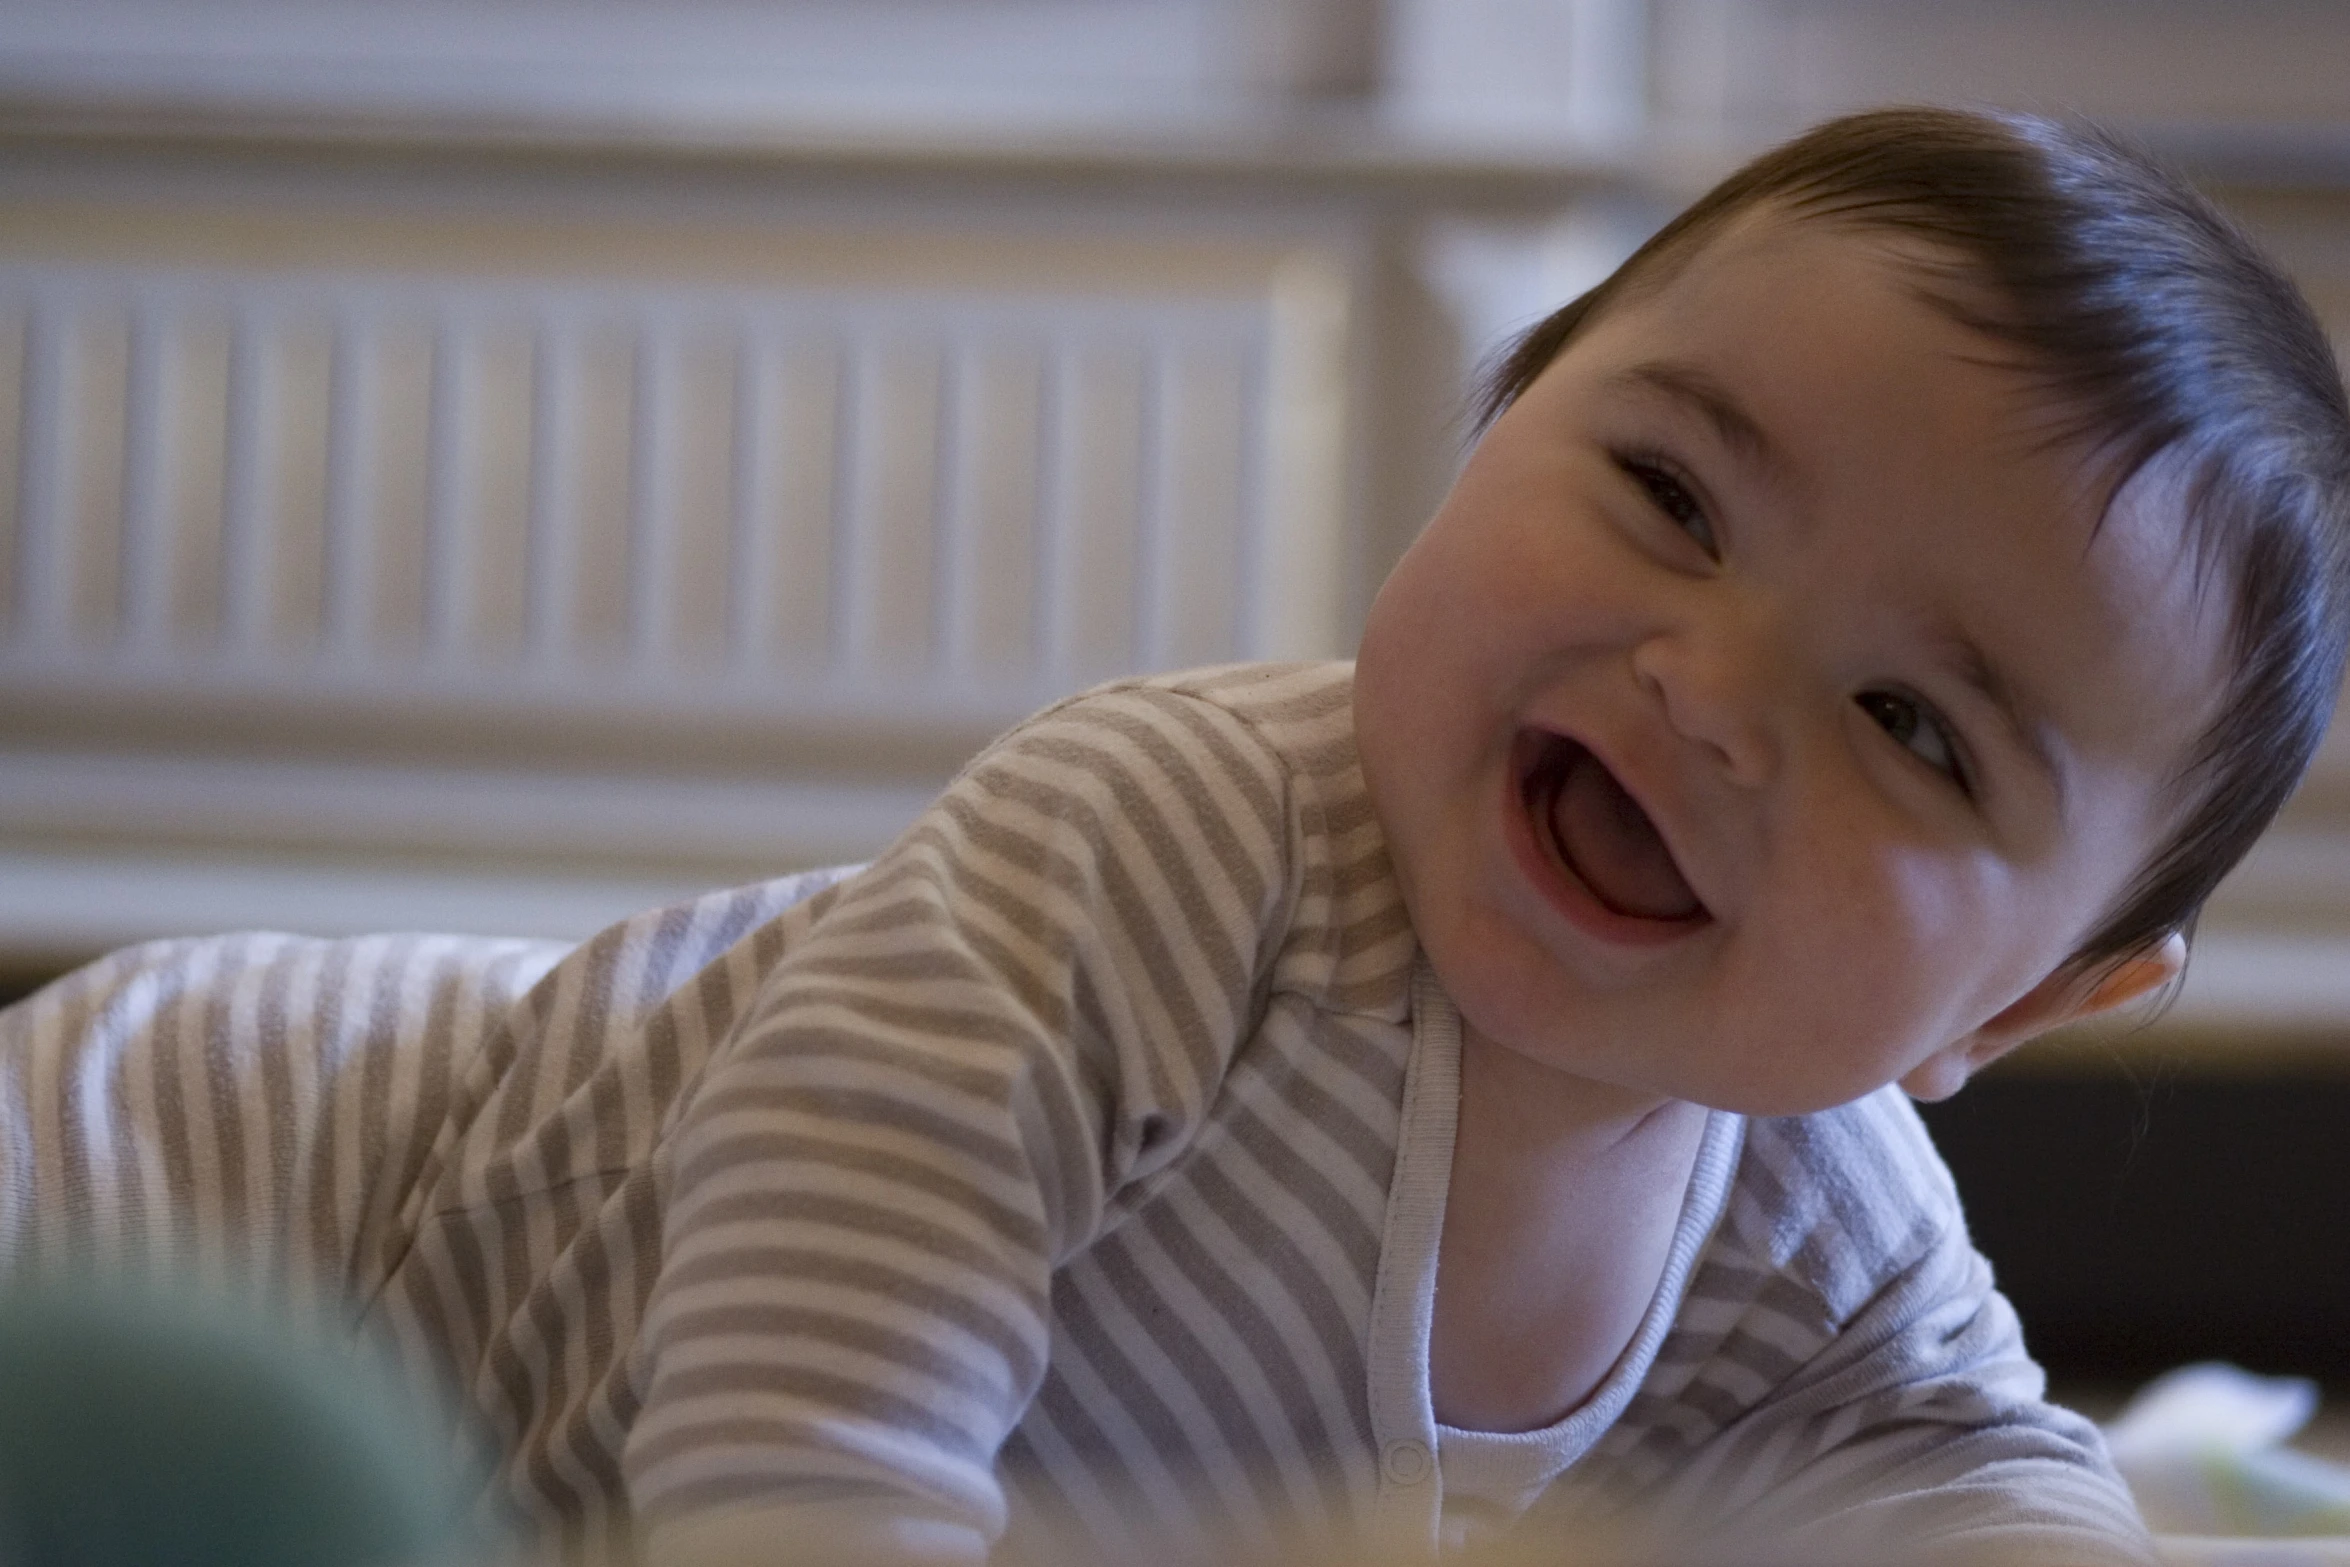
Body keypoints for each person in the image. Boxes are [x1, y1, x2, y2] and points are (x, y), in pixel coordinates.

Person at [4, 106, 2348, 1567]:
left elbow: (1972, 1479)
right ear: (1491, 420)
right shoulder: (1169, 844)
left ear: (2023, 1005)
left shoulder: (1822, 1228)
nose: (1709, 689)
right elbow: (808, 1391)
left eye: (1911, 728)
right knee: (190, 1441)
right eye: (1659, 492)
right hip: (255, 1197)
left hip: (457, 1501)